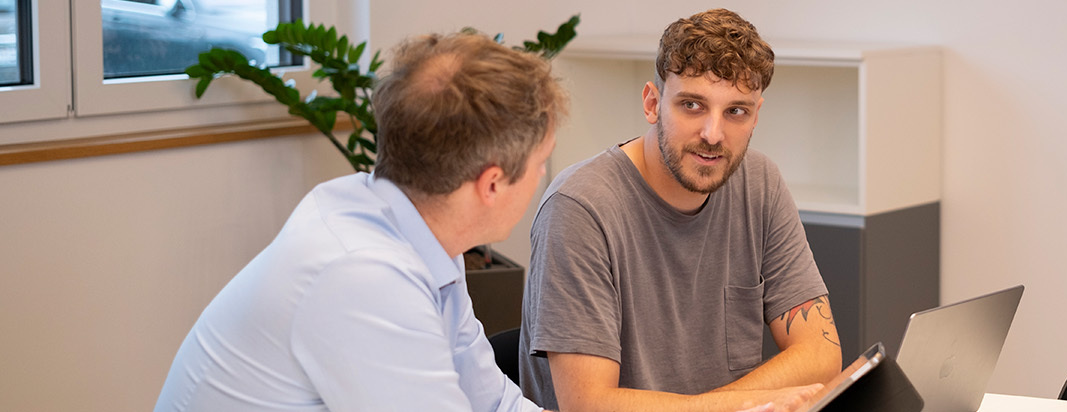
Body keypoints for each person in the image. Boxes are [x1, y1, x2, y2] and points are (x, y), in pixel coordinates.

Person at [153, 31, 567, 412]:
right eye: (540, 162)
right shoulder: (363, 275)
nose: (543, 176)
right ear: (492, 184)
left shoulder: (421, 231)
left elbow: (491, 401)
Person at [519, 8, 841, 412]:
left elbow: (820, 356)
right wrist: (739, 404)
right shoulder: (580, 208)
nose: (712, 134)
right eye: (692, 105)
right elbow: (588, 404)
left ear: (756, 116)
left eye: (735, 111)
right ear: (652, 104)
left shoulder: (760, 183)